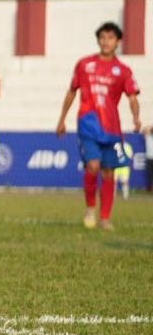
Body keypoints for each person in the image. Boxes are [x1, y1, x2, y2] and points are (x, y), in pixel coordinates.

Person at [56, 22, 143, 232]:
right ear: (98, 40)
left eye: (111, 38)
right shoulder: (85, 64)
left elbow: (132, 97)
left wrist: (136, 117)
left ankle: (105, 218)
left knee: (109, 172)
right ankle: (90, 209)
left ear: (118, 42)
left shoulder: (123, 71)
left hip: (112, 128)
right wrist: (62, 119)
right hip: (88, 123)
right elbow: (71, 92)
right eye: (103, 37)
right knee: (93, 165)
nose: (106, 42)